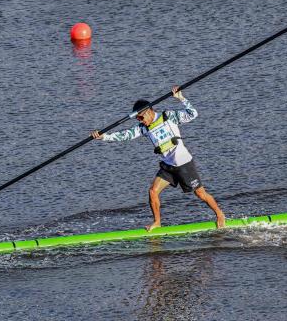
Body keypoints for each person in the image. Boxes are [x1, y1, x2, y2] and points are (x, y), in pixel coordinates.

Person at [92, 87, 225, 231]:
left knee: (200, 193)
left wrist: (181, 98)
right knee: (153, 191)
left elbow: (193, 114)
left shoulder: (168, 116)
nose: (141, 121)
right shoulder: (144, 128)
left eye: (141, 118)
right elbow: (126, 135)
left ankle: (220, 214)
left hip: (184, 163)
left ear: (149, 112)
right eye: (138, 119)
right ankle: (157, 222)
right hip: (168, 165)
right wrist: (104, 137)